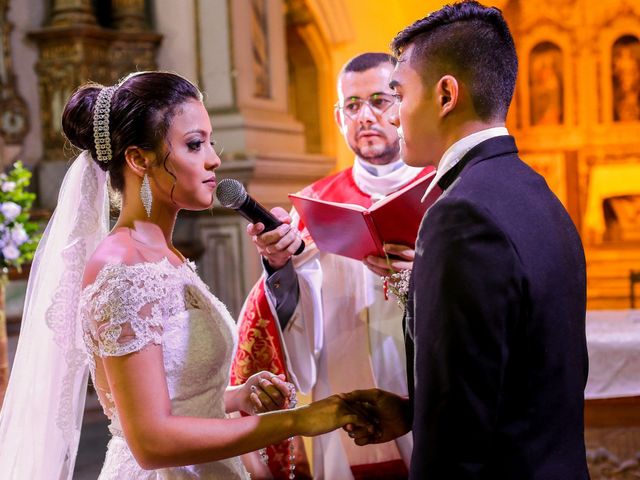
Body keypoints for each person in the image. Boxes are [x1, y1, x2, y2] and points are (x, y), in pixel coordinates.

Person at [0, 71, 370, 479]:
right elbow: (151, 440)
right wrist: (301, 421)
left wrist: (234, 397)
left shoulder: (164, 255)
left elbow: (174, 396)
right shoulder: (122, 270)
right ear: (139, 159)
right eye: (194, 144)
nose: (214, 158)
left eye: (210, 141)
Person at [342, 2, 590, 479]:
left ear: (445, 95)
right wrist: (416, 411)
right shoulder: (534, 191)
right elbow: (516, 376)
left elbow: (455, 444)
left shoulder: (459, 215)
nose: (393, 117)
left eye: (398, 93)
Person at [231, 53, 431, 479]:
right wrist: (280, 265)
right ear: (338, 118)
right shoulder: (313, 208)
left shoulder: (442, 192)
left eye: (380, 100)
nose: (366, 116)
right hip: (341, 399)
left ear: (403, 103)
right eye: (353, 106)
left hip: (428, 394)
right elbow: (297, 335)